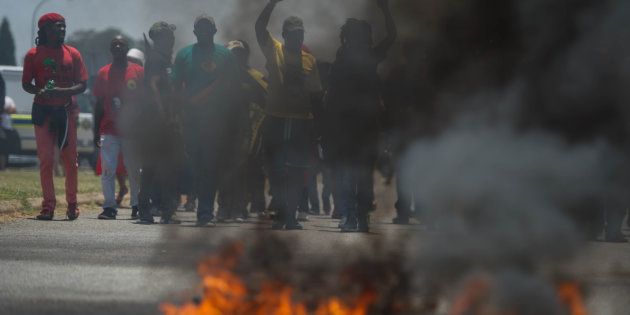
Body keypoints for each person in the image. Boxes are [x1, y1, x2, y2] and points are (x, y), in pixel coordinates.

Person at [324, 0, 396, 232]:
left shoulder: (345, 57)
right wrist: (385, 10)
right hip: (356, 126)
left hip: (355, 126)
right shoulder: (360, 57)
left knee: (353, 172)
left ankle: (353, 217)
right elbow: (392, 36)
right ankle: (355, 217)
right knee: (358, 172)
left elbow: (331, 95)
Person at [255, 0, 323, 230]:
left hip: (302, 121)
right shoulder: (273, 49)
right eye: (294, 34)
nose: (298, 37)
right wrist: (272, 4)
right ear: (284, 34)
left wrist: (319, 127)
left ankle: (291, 216)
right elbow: (259, 27)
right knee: (275, 169)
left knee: (296, 171)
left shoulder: (310, 60)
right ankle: (281, 211)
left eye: (301, 33)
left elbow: (316, 96)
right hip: (276, 118)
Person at [172, 15, 238, 226]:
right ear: (194, 32)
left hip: (215, 124)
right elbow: (175, 88)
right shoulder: (184, 55)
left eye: (207, 29)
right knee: (193, 167)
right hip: (190, 121)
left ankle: (205, 213)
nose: (204, 32)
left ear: (214, 30)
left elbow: (232, 88)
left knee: (210, 167)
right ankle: (177, 206)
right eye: (200, 29)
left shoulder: (225, 55)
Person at [21, 13, 88, 220]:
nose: (61, 30)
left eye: (63, 27)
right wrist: (38, 91)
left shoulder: (73, 53)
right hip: (43, 112)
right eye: (57, 27)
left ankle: (72, 204)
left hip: (66, 112)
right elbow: (26, 84)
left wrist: (62, 92)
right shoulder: (33, 55)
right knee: (46, 160)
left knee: (70, 161)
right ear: (45, 30)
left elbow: (83, 84)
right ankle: (48, 206)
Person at [93, 36, 144, 220]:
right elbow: (98, 104)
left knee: (134, 170)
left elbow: (146, 102)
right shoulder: (103, 73)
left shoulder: (138, 71)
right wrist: (95, 131)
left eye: (121, 44)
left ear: (126, 48)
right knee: (108, 170)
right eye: (113, 44)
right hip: (109, 129)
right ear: (110, 49)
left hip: (132, 130)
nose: (117, 46)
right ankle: (109, 207)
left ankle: (137, 205)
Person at [217, 39, 268, 222]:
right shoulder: (217, 76)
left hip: (244, 132)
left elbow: (268, 99)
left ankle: (239, 208)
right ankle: (223, 208)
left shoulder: (253, 76)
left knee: (241, 171)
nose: (235, 58)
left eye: (239, 55)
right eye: (232, 55)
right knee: (223, 170)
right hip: (221, 130)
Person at [136, 21, 181, 224]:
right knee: (153, 166)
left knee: (165, 167)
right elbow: (155, 88)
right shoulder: (156, 60)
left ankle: (165, 210)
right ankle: (146, 209)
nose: (172, 40)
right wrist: (165, 116)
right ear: (161, 39)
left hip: (164, 120)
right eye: (169, 37)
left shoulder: (163, 59)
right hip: (156, 122)